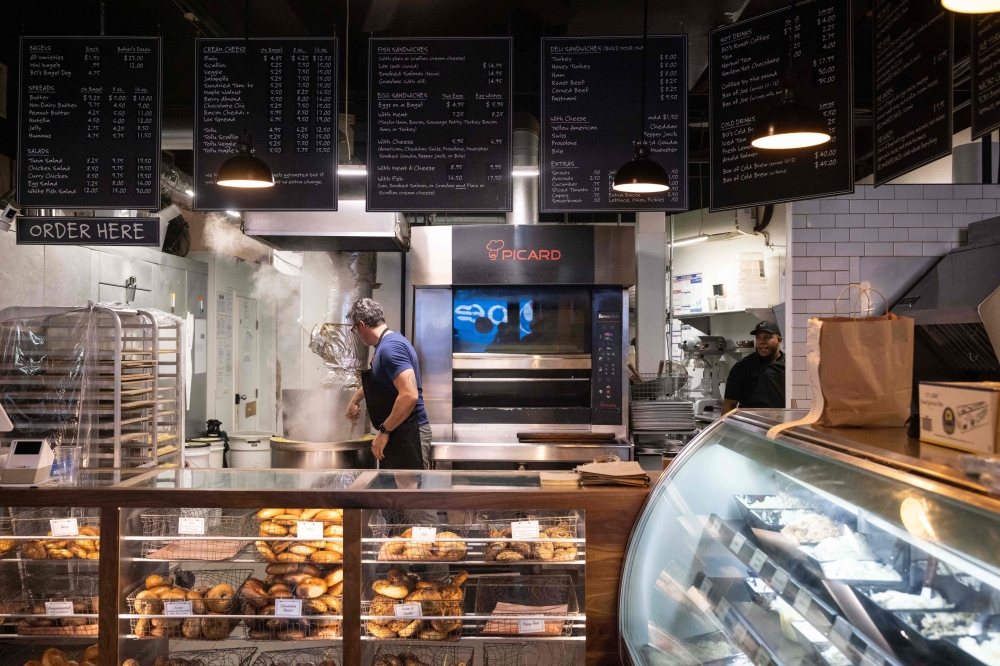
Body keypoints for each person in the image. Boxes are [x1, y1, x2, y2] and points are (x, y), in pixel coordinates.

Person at [344, 298, 430, 469]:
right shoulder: (384, 346)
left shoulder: (391, 348)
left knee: (407, 494)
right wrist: (355, 400)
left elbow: (409, 395)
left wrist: (383, 432)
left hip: (409, 432)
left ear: (362, 324)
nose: (357, 334)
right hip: (398, 429)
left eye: (354, 328)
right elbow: (379, 379)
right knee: (396, 493)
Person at [721, 320, 785, 413]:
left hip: (781, 423)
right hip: (751, 423)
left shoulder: (790, 367)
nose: (761, 342)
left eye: (767, 337)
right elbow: (729, 404)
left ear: (779, 340)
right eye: (758, 338)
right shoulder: (742, 367)